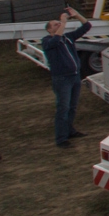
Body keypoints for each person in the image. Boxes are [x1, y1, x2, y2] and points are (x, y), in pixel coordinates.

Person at [40, 9, 91, 148]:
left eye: (59, 23)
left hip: (74, 77)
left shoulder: (68, 38)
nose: (59, 25)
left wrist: (77, 15)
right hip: (62, 79)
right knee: (63, 108)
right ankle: (61, 138)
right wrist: (63, 21)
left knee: (72, 107)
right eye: (55, 25)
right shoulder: (47, 41)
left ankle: (70, 131)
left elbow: (87, 26)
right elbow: (56, 40)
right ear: (50, 30)